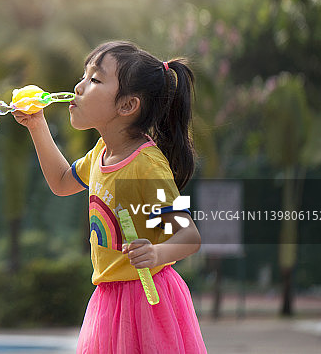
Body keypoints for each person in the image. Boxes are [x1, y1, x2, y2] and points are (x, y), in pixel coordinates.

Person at [14, 41, 206, 353]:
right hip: (109, 301)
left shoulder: (146, 165)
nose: (78, 86)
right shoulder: (101, 153)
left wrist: (157, 253)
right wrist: (37, 125)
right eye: (84, 75)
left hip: (146, 303)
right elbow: (62, 182)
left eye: (95, 79)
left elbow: (188, 236)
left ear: (127, 105)